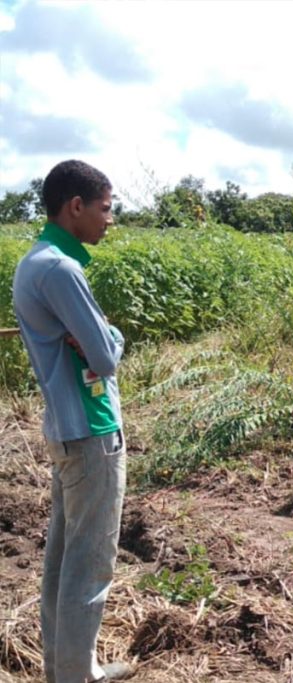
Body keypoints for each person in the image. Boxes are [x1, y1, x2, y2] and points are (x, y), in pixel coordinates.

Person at [13, 160, 131, 682]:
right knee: (89, 566)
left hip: (66, 432)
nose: (110, 220)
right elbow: (105, 356)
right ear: (76, 206)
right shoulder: (62, 269)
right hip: (92, 432)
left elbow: (91, 344)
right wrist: (110, 333)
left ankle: (69, 670)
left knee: (63, 564)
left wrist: (96, 336)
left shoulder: (32, 262)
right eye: (105, 209)